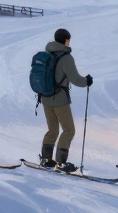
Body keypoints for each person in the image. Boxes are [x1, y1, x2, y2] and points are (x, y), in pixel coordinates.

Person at [38, 28, 91, 173]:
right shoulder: (66, 58)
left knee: (53, 130)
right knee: (69, 130)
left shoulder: (47, 53)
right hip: (60, 100)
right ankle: (60, 162)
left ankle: (46, 159)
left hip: (45, 97)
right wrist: (87, 81)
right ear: (66, 40)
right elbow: (75, 79)